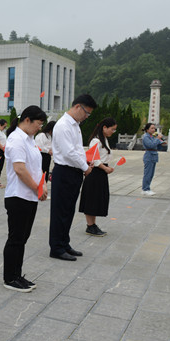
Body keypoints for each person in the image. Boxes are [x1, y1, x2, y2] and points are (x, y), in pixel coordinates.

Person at [2, 105, 48, 292]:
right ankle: (9, 277)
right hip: (18, 195)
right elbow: (20, 169)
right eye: (38, 123)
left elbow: (35, 167)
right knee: (16, 238)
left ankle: (17, 274)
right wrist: (38, 187)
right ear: (27, 120)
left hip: (29, 196)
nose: (40, 128)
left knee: (23, 238)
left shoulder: (30, 139)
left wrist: (41, 185)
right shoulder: (16, 139)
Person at [49, 94, 98, 261]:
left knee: (68, 211)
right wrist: (85, 167)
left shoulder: (75, 125)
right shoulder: (63, 125)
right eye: (86, 113)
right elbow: (68, 152)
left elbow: (77, 150)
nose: (87, 117)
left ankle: (64, 243)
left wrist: (86, 161)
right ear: (78, 107)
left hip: (74, 172)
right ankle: (56, 247)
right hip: (64, 172)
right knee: (60, 211)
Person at [79, 117, 117, 237]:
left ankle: (93, 224)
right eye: (112, 129)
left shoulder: (104, 139)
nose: (113, 132)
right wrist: (104, 168)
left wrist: (107, 167)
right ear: (104, 127)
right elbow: (93, 158)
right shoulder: (96, 141)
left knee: (97, 198)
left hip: (101, 172)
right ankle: (90, 225)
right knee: (92, 198)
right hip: (95, 172)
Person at [141, 123, 166, 196]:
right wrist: (158, 139)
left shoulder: (152, 136)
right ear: (147, 129)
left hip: (154, 155)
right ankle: (145, 189)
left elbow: (156, 144)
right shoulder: (145, 137)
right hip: (149, 155)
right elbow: (151, 145)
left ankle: (148, 188)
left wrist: (162, 143)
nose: (154, 129)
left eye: (154, 128)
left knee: (151, 174)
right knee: (148, 173)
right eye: (152, 128)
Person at [35, 120, 56, 195]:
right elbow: (39, 146)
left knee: (46, 172)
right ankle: (40, 189)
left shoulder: (50, 136)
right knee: (42, 171)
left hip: (47, 156)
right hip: (42, 155)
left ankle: (44, 188)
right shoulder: (42, 135)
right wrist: (48, 151)